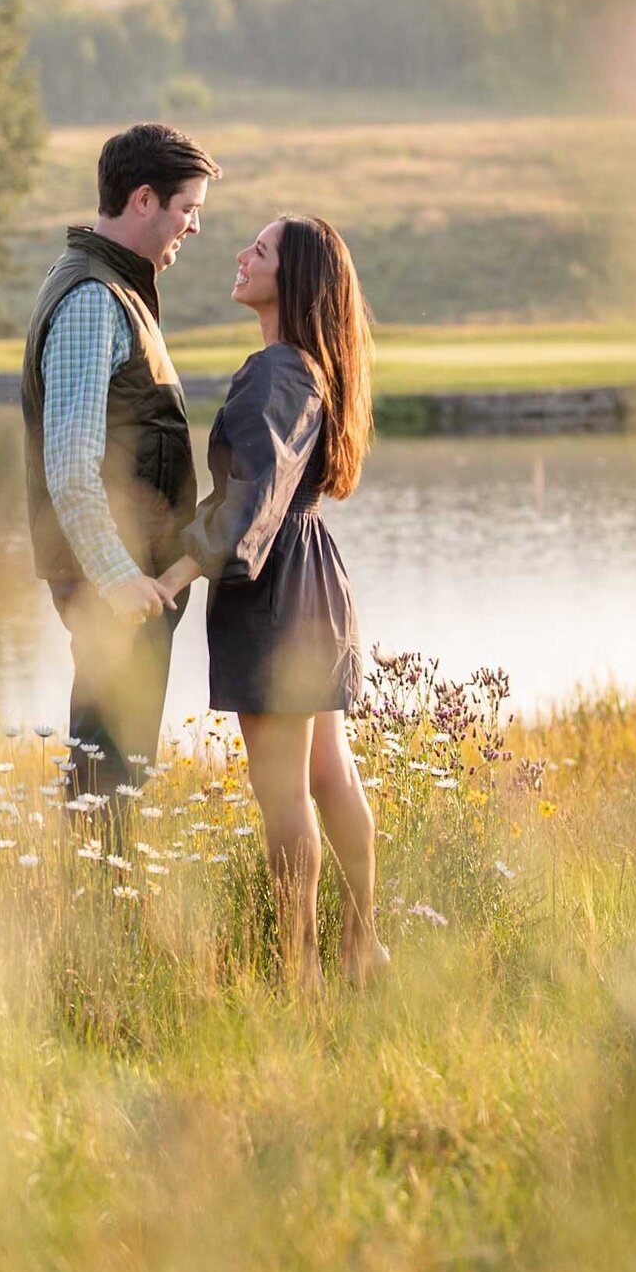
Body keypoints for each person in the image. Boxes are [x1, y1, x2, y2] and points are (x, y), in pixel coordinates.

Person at [155, 215, 389, 987]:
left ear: (292, 279)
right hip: (315, 577)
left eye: (259, 251)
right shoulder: (315, 368)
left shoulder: (275, 371)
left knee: (283, 791)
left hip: (276, 593)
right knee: (330, 774)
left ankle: (305, 972)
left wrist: (173, 571)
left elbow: (253, 496)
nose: (241, 256)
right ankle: (363, 949)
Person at [21, 122, 221, 806]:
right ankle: (97, 912)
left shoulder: (113, 289)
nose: (193, 227)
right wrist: (118, 579)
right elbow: (71, 464)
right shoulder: (92, 300)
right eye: (187, 209)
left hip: (133, 585)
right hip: (120, 591)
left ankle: (98, 908)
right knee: (108, 780)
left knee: (116, 774)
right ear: (144, 201)